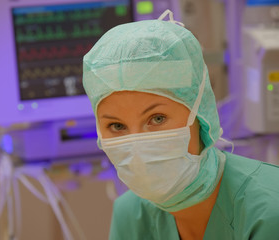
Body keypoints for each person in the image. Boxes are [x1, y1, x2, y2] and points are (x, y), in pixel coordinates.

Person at [82, 10, 279, 240]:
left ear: (200, 115)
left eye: (157, 119)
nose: (138, 144)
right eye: (117, 126)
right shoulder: (132, 214)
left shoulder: (268, 213)